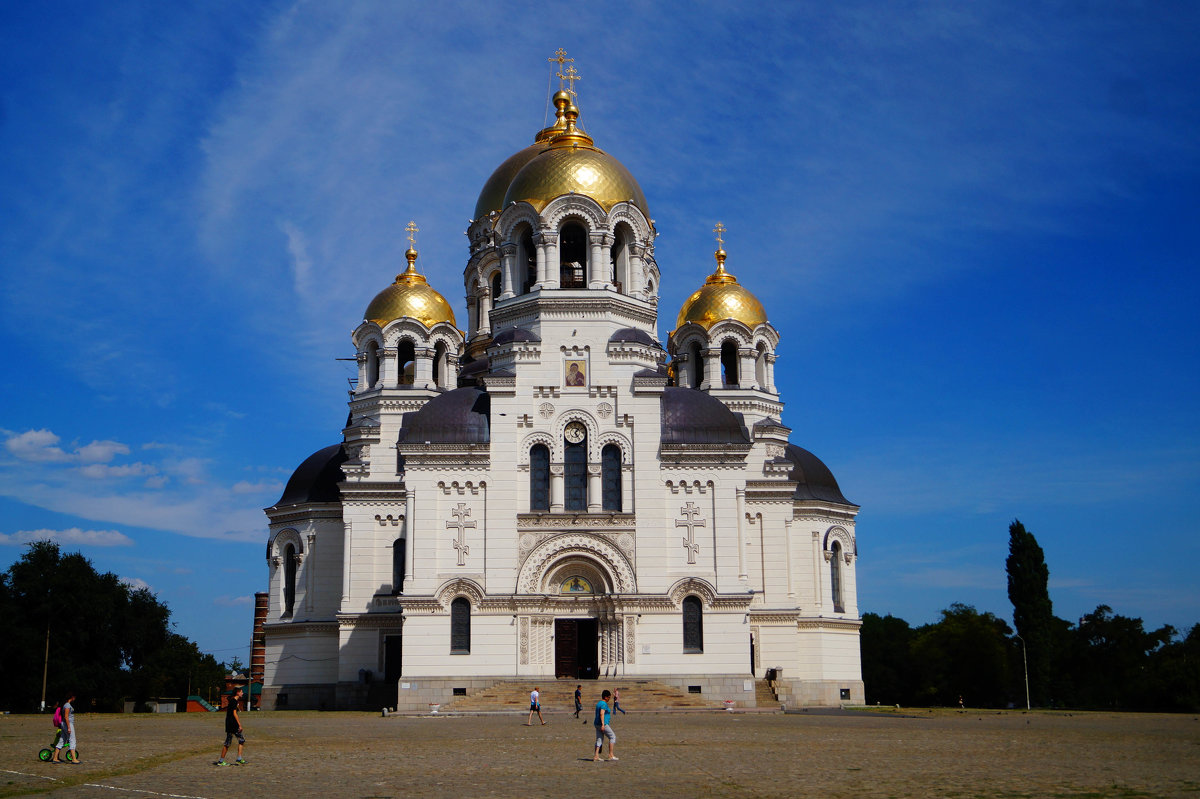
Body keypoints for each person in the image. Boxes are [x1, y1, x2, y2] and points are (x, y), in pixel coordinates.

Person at [215, 687, 247, 766]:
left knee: (241, 740)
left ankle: (239, 758)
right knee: (228, 743)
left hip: (231, 724)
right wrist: (239, 724)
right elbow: (234, 713)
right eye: (241, 692)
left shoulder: (234, 701)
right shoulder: (234, 701)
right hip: (232, 724)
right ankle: (221, 761)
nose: (242, 693)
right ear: (237, 693)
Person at [52, 693, 78, 764]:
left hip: (65, 724)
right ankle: (74, 759)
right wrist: (69, 727)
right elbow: (66, 717)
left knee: (62, 740)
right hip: (68, 724)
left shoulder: (66, 705)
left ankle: (55, 758)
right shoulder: (67, 705)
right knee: (72, 740)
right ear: (72, 697)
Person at [593, 689, 617, 762]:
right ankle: (611, 755)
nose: (609, 699)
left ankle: (596, 756)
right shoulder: (604, 704)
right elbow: (601, 713)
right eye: (609, 697)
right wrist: (603, 724)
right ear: (606, 697)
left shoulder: (598, 703)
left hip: (597, 724)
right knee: (612, 736)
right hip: (603, 724)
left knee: (599, 739)